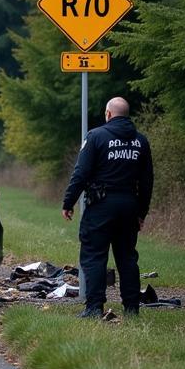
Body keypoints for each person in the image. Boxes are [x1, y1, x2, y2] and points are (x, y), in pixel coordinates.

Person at [62, 96, 154, 318]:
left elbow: (81, 173)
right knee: (127, 258)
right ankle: (132, 309)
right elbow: (147, 181)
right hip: (129, 206)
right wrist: (141, 213)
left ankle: (94, 308)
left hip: (101, 205)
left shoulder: (96, 137)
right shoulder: (141, 142)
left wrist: (69, 201)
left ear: (108, 114)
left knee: (94, 255)